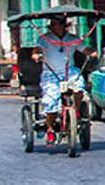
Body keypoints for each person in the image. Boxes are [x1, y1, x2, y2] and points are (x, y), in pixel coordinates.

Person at [32, 17, 96, 146]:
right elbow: (37, 49)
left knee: (79, 87)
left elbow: (84, 48)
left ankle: (76, 111)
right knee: (51, 100)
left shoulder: (72, 39)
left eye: (60, 24)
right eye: (54, 24)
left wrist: (92, 53)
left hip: (69, 72)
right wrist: (36, 55)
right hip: (51, 73)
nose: (57, 26)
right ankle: (50, 129)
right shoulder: (45, 39)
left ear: (64, 25)